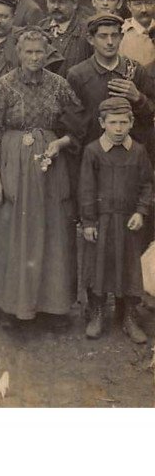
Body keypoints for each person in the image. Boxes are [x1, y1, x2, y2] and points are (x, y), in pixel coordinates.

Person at [0, 29, 84, 325]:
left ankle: (51, 307)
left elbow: (78, 125)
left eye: (40, 52)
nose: (35, 57)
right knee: (11, 231)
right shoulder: (2, 86)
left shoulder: (59, 85)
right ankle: (10, 305)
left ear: (47, 53)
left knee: (51, 231)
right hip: (12, 164)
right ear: (18, 54)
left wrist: (59, 143)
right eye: (29, 52)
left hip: (50, 167)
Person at [80, 97, 153, 343]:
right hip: (102, 221)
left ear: (132, 123)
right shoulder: (92, 151)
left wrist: (140, 212)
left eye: (124, 122)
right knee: (98, 266)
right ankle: (98, 312)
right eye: (113, 123)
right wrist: (89, 221)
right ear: (102, 123)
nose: (119, 128)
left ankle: (129, 316)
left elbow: (146, 185)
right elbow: (86, 189)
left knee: (129, 267)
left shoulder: (139, 151)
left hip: (129, 222)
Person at [67, 13, 155, 163]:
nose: (110, 42)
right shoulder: (78, 74)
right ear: (90, 39)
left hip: (130, 158)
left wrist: (138, 98)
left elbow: (150, 117)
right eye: (103, 36)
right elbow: (73, 124)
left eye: (114, 35)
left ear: (121, 37)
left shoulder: (135, 70)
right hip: (93, 157)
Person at [38, 0, 92, 76]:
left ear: (74, 4)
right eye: (52, 2)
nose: (56, 6)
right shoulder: (40, 28)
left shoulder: (86, 31)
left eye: (61, 2)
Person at [120, 0, 155, 66]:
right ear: (129, 6)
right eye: (137, 4)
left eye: (149, 3)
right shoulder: (120, 34)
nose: (144, 10)